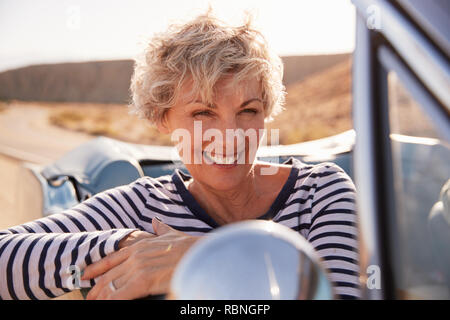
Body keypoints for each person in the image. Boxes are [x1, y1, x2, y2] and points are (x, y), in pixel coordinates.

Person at [0, 12, 360, 300]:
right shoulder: (140, 209)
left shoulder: (319, 193)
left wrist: (199, 258)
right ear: (162, 117)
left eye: (248, 111)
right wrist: (126, 247)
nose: (230, 136)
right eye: (203, 113)